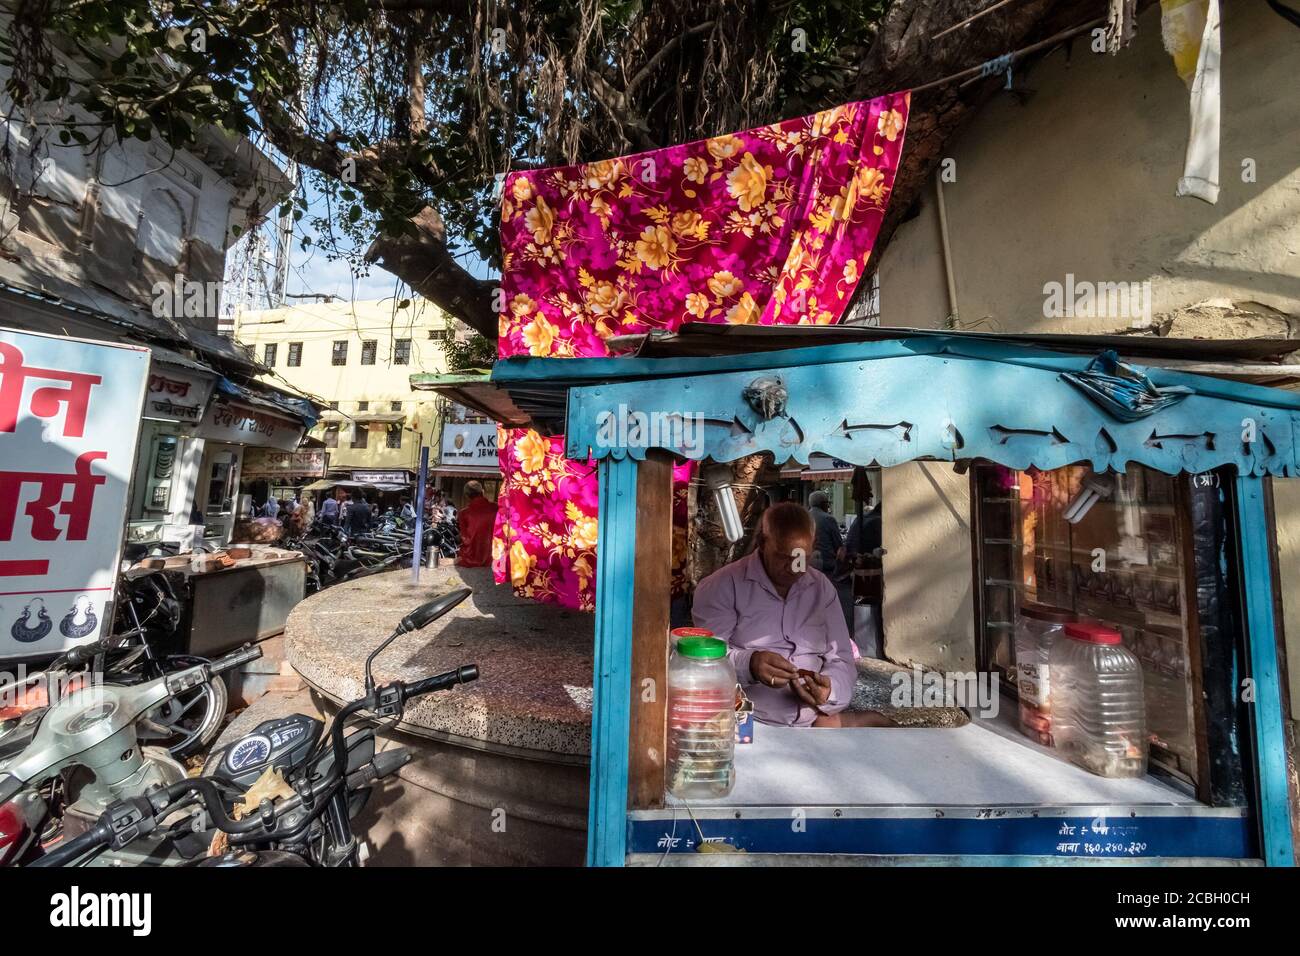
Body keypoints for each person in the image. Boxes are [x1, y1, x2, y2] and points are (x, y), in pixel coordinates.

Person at [691, 502, 892, 728]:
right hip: (747, 723)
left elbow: (841, 658)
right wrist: (750, 665)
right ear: (762, 543)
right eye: (783, 557)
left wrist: (830, 690)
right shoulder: (722, 587)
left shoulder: (821, 588)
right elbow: (703, 661)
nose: (794, 567)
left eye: (801, 558)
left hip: (815, 721)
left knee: (883, 729)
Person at [809, 489, 854, 634]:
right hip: (825, 563)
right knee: (827, 597)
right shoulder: (828, 519)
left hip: (807, 563)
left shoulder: (805, 516)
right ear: (823, 504)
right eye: (827, 503)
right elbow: (838, 544)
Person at [456, 481, 495, 567]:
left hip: (470, 559)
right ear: (482, 492)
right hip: (494, 558)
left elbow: (465, 539)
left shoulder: (463, 513)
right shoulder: (496, 508)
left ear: (466, 496)